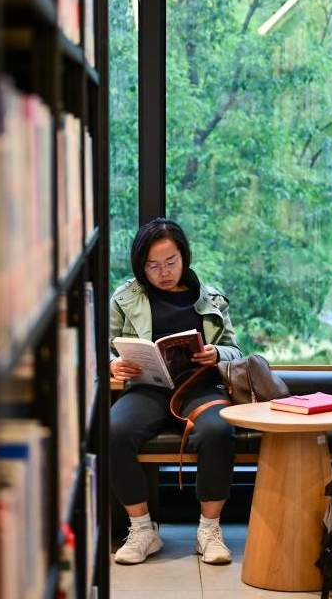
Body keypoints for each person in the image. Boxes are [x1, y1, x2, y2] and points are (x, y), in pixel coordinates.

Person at [109, 217, 243, 565]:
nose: (163, 272)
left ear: (185, 257)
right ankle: (142, 529)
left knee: (217, 430)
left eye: (170, 262)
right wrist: (113, 364)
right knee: (111, 431)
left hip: (200, 386)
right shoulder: (124, 298)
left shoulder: (210, 298)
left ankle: (209, 530)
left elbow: (236, 351)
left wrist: (216, 354)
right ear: (140, 266)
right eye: (152, 266)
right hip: (148, 386)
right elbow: (103, 347)